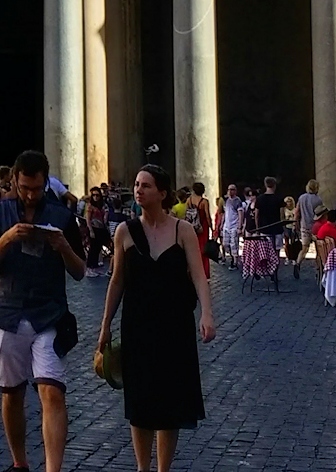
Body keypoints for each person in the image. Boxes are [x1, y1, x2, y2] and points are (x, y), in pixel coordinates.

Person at [97, 164, 215, 472]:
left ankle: (163, 468)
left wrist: (207, 313)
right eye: (137, 184)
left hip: (174, 325)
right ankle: (142, 468)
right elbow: (117, 281)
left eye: (146, 185)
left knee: (170, 399)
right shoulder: (124, 231)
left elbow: (199, 276)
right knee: (140, 400)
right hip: (137, 325)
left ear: (162, 193)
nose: (138, 190)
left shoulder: (182, 230)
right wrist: (105, 325)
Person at [0, 150, 86, 472]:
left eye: (36, 189)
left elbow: (80, 271)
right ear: (14, 181)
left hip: (48, 314)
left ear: (45, 182)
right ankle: (19, 462)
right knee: (11, 392)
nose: (29, 195)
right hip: (9, 312)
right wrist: (6, 240)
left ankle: (54, 468)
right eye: (24, 188)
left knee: (52, 390)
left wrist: (63, 246)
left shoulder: (62, 216)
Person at [217, 184, 244, 268]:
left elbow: (240, 214)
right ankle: (232, 257)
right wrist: (222, 223)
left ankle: (235, 262)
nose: (230, 191)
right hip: (226, 226)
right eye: (229, 189)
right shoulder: (227, 200)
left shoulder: (237, 201)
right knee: (225, 243)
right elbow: (225, 213)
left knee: (234, 244)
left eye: (232, 189)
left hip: (234, 226)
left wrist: (239, 226)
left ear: (235, 191)